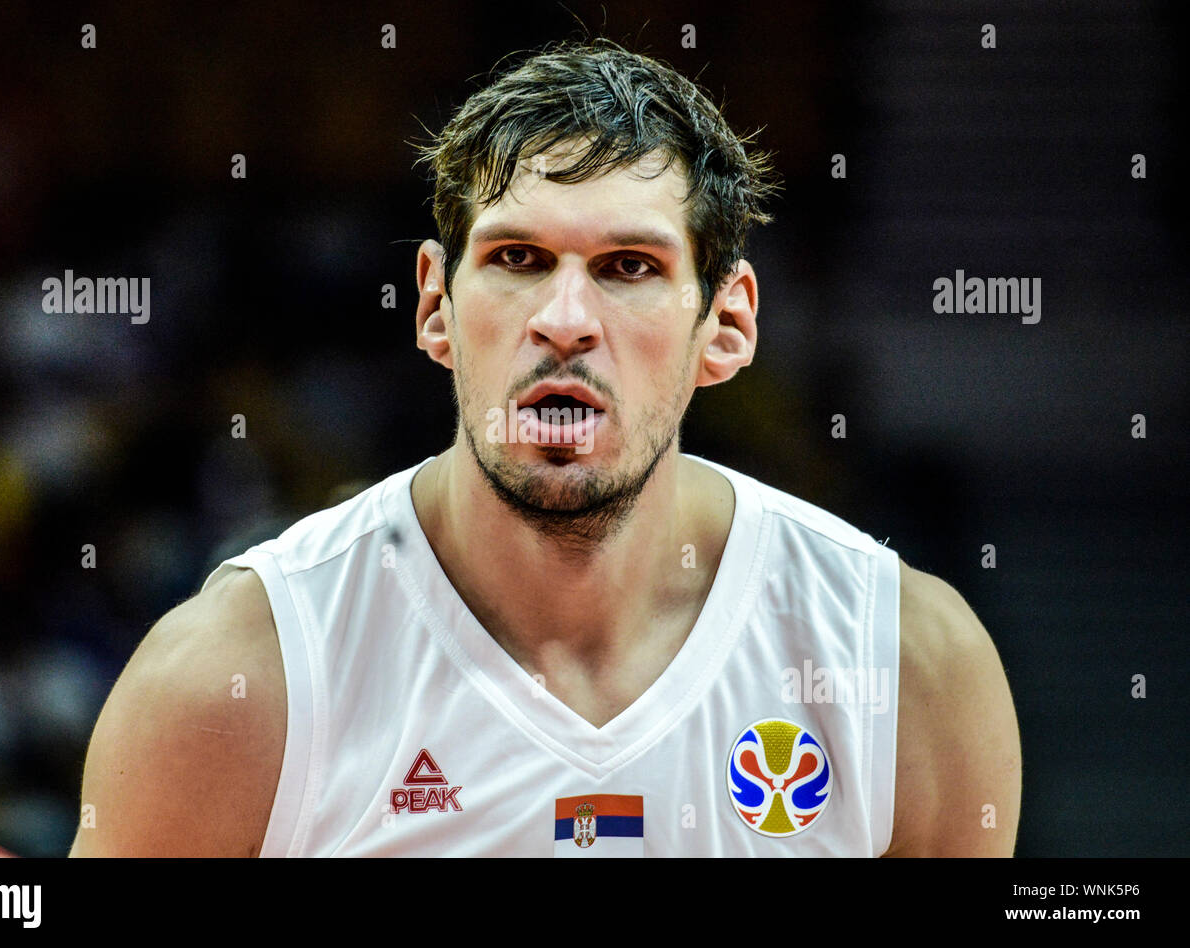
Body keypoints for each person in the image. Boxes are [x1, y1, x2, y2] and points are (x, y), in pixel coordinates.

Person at [69, 39, 1020, 857]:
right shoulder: (236, 682)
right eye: (518, 259)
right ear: (436, 305)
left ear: (725, 322)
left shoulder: (901, 667)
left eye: (629, 268)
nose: (565, 321)